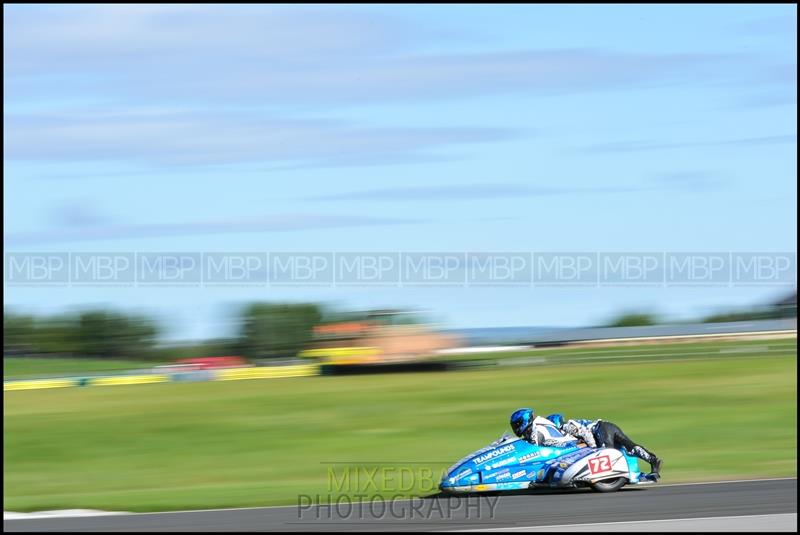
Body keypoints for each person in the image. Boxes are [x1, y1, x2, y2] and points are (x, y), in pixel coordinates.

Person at [546, 413, 662, 478]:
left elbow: (585, 433)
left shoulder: (566, 427)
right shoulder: (572, 423)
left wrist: (593, 449)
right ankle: (653, 461)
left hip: (601, 430)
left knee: (606, 455)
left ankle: (615, 478)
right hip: (607, 426)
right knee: (630, 447)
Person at [509, 408, 577, 448]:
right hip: (561, 448)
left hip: (567, 448)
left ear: (523, 421)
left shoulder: (536, 428)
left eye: (516, 425)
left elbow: (533, 448)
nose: (515, 428)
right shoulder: (535, 424)